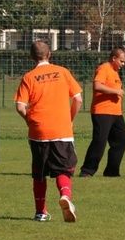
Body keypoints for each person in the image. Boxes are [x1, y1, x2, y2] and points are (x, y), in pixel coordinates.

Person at [15, 41, 83, 222]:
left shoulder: (29, 76)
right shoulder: (63, 72)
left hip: (38, 131)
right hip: (62, 129)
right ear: (49, 55)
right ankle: (65, 196)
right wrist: (70, 119)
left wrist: (30, 121)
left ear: (31, 57)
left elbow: (20, 106)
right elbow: (78, 99)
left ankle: (40, 212)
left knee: (39, 173)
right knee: (63, 169)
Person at [79, 48, 125, 178]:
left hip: (116, 113)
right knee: (100, 141)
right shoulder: (104, 68)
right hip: (102, 111)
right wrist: (116, 91)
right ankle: (87, 170)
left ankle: (111, 172)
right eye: (121, 61)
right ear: (114, 59)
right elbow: (97, 86)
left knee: (121, 140)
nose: (123, 64)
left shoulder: (115, 72)